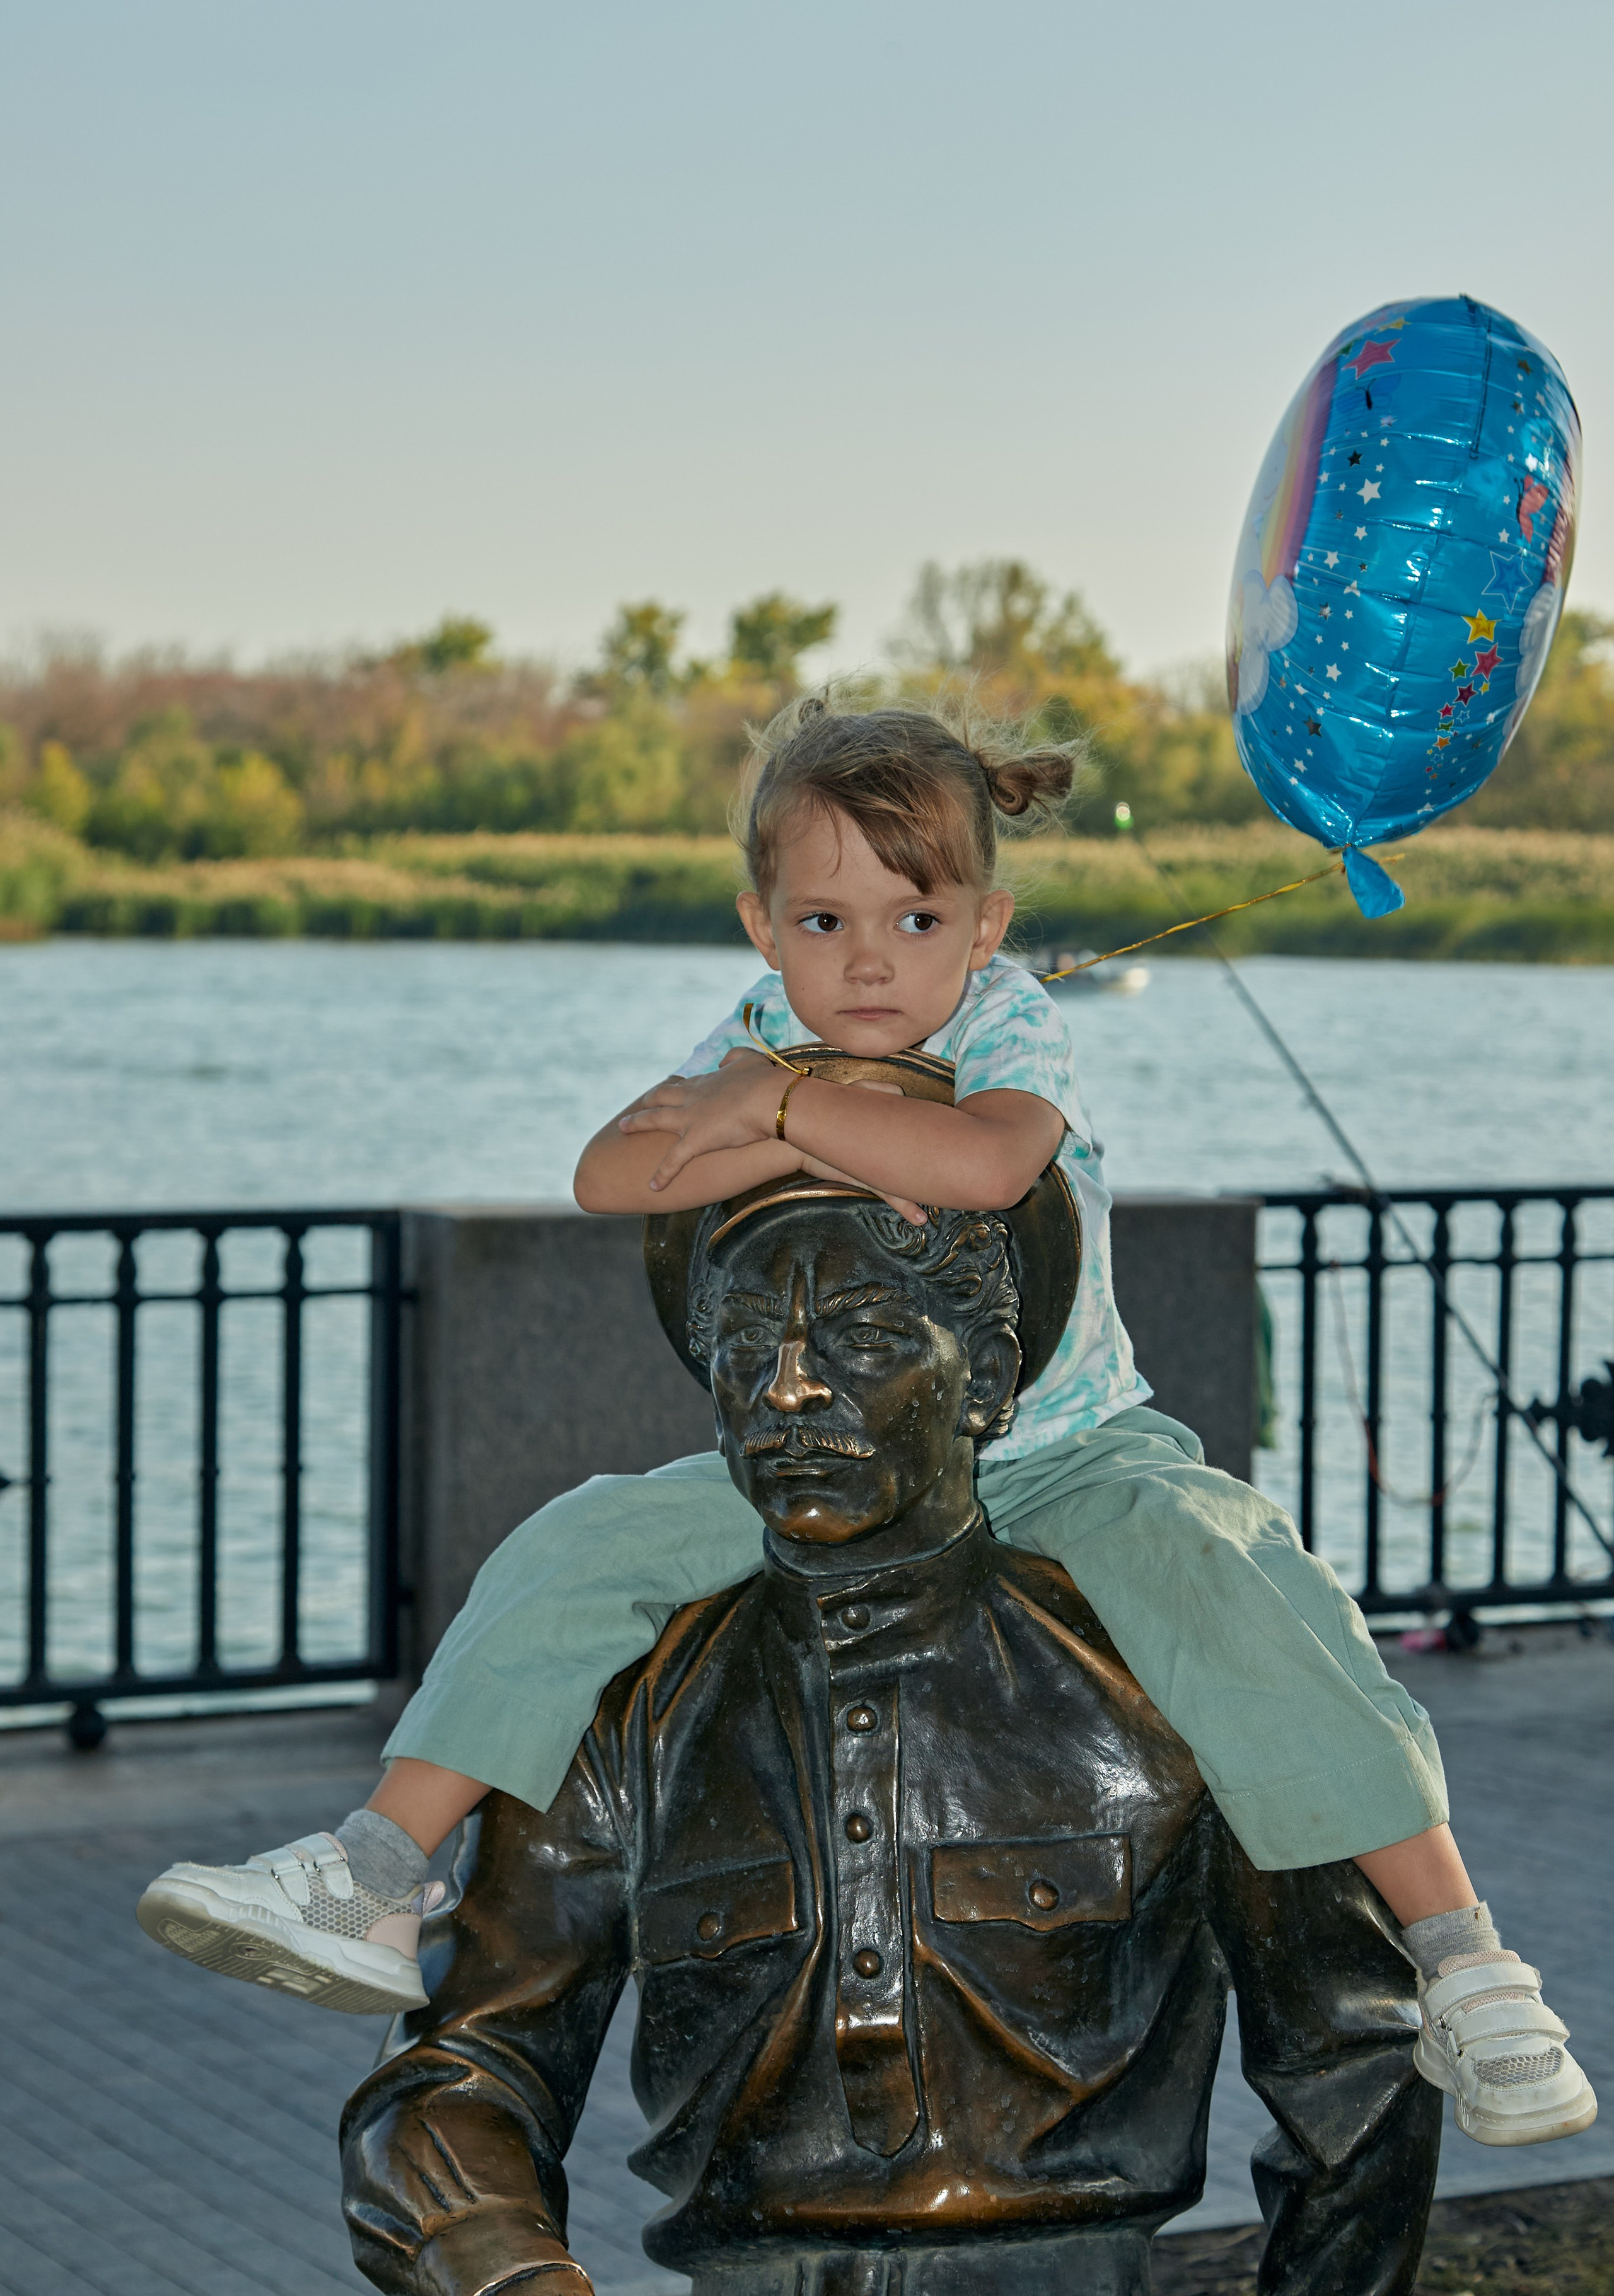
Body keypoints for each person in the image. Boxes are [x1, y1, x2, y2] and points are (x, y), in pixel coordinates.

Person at [139, 692, 1594, 2150]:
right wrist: (765, 1095)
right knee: (571, 1547)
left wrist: (773, 1115)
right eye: (823, 923)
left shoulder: (1002, 1018)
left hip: (1064, 1444)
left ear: (983, 922)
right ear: (761, 927)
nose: (868, 964)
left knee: (1247, 1588)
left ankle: (1459, 1951)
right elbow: (605, 1174)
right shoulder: (758, 1033)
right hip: (819, 1458)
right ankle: (382, 1867)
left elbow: (983, 1162)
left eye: (912, 920)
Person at [340, 1181, 1442, 2296]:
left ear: (990, 1382)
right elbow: (457, 2071)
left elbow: (1356, 2071)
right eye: (747, 1344)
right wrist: (510, 2274)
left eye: (863, 1337)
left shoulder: (1163, 1672)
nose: (789, 1388)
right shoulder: (623, 1701)